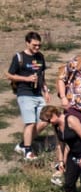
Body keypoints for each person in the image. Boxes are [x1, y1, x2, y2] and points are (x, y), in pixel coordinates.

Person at [9, 31, 47, 159]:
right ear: (27, 43)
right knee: (30, 123)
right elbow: (9, 75)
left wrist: (45, 90)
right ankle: (28, 152)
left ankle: (23, 144)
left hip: (38, 94)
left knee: (45, 120)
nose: (37, 48)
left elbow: (42, 75)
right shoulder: (19, 57)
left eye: (39, 45)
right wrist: (26, 79)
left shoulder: (40, 56)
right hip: (24, 93)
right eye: (34, 45)